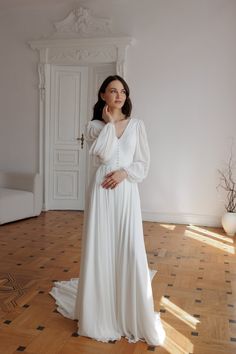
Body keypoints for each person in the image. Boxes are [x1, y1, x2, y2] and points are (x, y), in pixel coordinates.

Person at [50, 75, 165, 346]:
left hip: (125, 190)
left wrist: (125, 173)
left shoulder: (137, 126)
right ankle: (100, 310)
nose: (118, 95)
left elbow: (143, 163)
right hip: (102, 190)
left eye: (122, 91)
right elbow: (103, 154)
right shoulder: (93, 126)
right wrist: (111, 124)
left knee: (128, 245)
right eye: (112, 91)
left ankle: (128, 307)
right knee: (101, 245)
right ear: (103, 96)